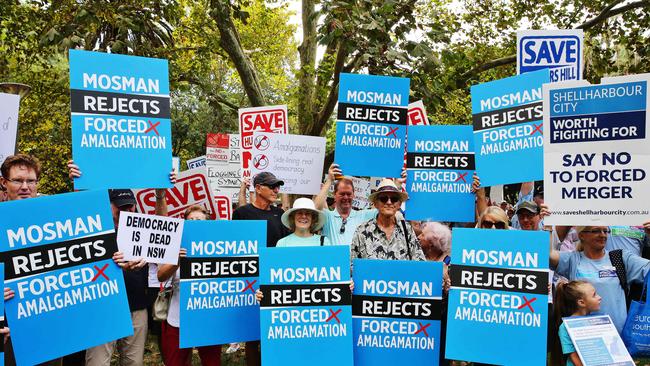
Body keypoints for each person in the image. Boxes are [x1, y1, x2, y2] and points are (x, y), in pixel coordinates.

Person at [232, 172, 289, 366]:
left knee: (275, 331)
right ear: (257, 188)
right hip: (250, 281)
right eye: (272, 186)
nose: (276, 190)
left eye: (278, 186)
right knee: (253, 334)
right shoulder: (242, 213)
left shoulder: (280, 215)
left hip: (275, 280)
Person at [550, 225, 650, 333]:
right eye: (596, 231)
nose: (602, 235)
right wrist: (547, 228)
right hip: (583, 335)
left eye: (605, 231)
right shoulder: (572, 259)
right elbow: (547, 254)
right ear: (582, 235)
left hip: (617, 338)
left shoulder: (620, 257)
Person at [158, 205, 221, 366]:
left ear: (207, 223)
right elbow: (161, 275)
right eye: (190, 220)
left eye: (198, 220)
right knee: (175, 362)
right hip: (178, 318)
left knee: (211, 361)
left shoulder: (219, 246)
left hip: (208, 317)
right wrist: (176, 261)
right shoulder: (175, 245)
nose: (194, 223)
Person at [350, 179, 424, 263]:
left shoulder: (407, 229)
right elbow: (352, 267)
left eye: (394, 199)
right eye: (383, 198)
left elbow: (419, 263)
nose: (389, 202)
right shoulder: (362, 231)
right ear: (375, 203)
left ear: (399, 204)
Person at [314, 163, 377, 246]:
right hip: (333, 259)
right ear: (334, 195)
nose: (346, 197)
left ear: (354, 195)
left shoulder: (363, 215)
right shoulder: (327, 217)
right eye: (342, 194)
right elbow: (316, 208)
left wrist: (398, 184)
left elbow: (388, 209)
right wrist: (329, 180)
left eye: (349, 194)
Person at [553, 281, 602, 366]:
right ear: (581, 302)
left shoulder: (596, 321)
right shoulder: (565, 327)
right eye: (594, 295)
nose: (599, 297)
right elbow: (574, 357)